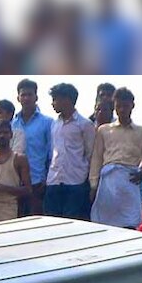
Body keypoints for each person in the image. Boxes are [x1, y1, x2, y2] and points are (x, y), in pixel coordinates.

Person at [89, 87, 142, 227]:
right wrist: (94, 185)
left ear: (132, 106)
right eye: (119, 106)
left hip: (130, 180)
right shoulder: (104, 130)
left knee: (129, 222)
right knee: (105, 223)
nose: (122, 110)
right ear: (114, 106)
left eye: (125, 106)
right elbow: (97, 159)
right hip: (108, 181)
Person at [43, 83, 95, 220]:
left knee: (71, 222)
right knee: (51, 221)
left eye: (55, 99)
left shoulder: (85, 124)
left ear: (67, 99)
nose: (53, 104)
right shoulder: (55, 124)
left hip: (75, 181)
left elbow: (90, 154)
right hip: (54, 180)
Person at [12, 79, 53, 215]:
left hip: (37, 181)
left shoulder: (47, 122)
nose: (26, 98)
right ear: (18, 97)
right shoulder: (12, 124)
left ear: (36, 97)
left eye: (30, 94)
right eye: (23, 95)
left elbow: (51, 153)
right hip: (15, 182)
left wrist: (46, 178)